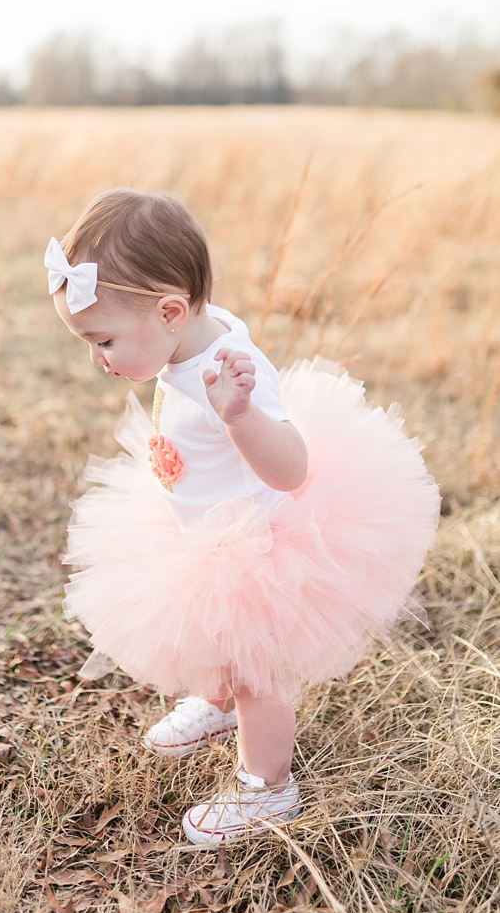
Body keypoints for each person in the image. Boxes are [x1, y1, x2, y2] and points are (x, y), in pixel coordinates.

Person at [46, 188, 440, 846]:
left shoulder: (231, 377)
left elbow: (291, 468)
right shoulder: (187, 337)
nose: (97, 358)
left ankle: (268, 787)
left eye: (103, 339)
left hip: (260, 545)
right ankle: (218, 703)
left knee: (259, 666)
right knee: (212, 628)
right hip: (205, 525)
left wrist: (241, 416)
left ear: (172, 311)